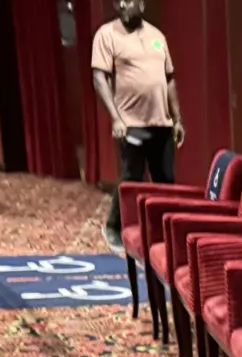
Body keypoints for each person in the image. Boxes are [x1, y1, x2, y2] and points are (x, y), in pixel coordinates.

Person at [92, 0, 184, 253]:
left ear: (142, 5)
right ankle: (114, 226)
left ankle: (163, 234)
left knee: (165, 181)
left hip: (161, 122)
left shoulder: (157, 37)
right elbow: (99, 77)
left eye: (130, 0)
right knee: (131, 177)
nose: (123, 4)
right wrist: (116, 118)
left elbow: (169, 79)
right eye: (119, 1)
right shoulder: (107, 35)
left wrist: (177, 119)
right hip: (130, 122)